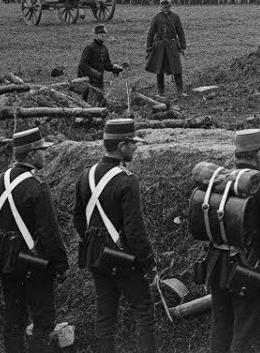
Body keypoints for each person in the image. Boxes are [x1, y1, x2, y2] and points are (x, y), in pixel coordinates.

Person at [74, 119, 158, 353]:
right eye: (132, 143)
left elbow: (79, 221)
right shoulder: (126, 180)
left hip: (96, 254)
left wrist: (96, 241)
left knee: (105, 314)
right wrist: (148, 262)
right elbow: (135, 231)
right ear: (122, 146)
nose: (136, 148)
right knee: (144, 313)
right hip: (123, 257)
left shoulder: (85, 175)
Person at [0, 128, 68, 353]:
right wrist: (61, 265)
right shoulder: (36, 186)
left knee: (14, 319)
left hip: (7, 262)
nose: (45, 154)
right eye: (42, 150)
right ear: (31, 154)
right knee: (43, 321)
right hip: (35, 262)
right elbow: (49, 231)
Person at [202, 130, 260, 353]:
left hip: (217, 267)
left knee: (221, 328)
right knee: (248, 334)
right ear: (257, 154)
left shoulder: (220, 183)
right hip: (249, 270)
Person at [145, 0, 187, 97]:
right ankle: (160, 92)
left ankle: (180, 91)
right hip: (159, 47)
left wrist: (182, 45)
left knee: (177, 68)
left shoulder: (175, 17)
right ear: (160, 6)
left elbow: (180, 32)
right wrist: (149, 47)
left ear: (170, 6)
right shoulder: (156, 18)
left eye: (167, 5)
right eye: (163, 5)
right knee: (159, 69)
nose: (165, 7)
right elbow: (151, 34)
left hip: (172, 46)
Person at [78, 25, 124, 103]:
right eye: (101, 35)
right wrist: (95, 73)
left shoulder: (104, 48)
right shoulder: (89, 48)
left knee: (101, 102)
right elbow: (82, 65)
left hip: (99, 82)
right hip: (88, 81)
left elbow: (107, 65)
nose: (103, 37)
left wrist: (114, 68)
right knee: (86, 103)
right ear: (96, 35)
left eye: (104, 35)